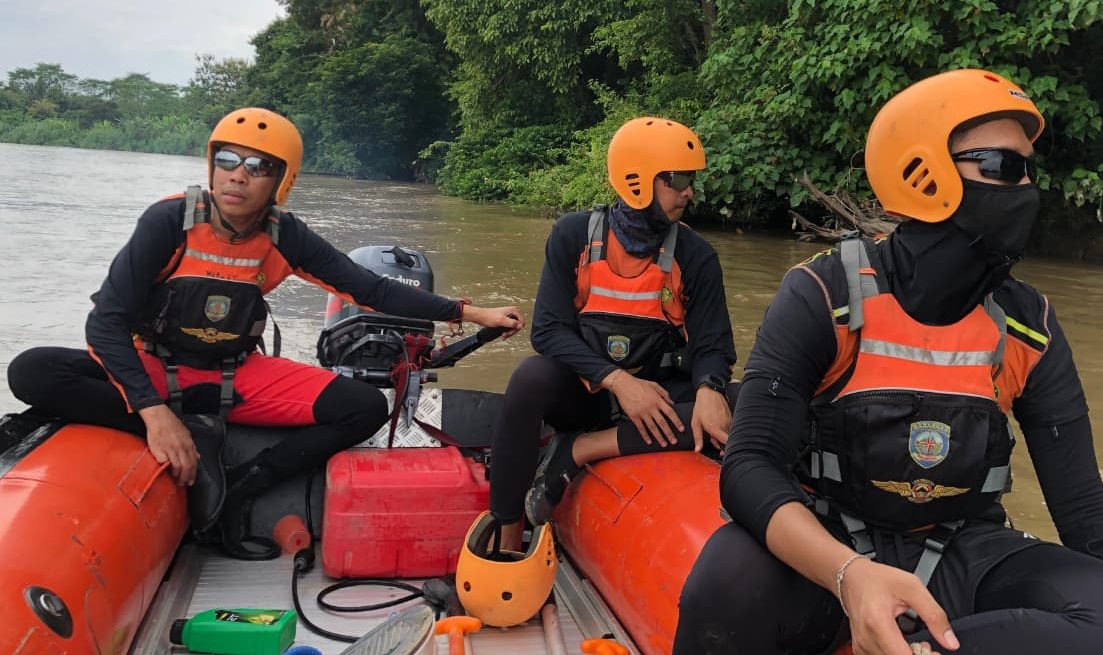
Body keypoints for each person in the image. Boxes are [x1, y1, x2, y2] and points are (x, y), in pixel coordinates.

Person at [673, 69, 1103, 655]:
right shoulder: (823, 295)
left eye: (1030, 168)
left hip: (964, 551)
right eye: (1005, 167)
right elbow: (749, 466)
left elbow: (1083, 512)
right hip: (830, 542)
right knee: (724, 585)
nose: (1027, 187)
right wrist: (850, 576)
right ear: (923, 174)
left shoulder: (1031, 325)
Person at [6, 107, 524, 558]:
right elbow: (106, 323)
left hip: (235, 374)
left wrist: (469, 312)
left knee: (363, 407)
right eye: (227, 160)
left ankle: (244, 481)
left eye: (258, 167)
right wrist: (155, 415)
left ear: (282, 180)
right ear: (212, 164)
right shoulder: (169, 221)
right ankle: (187, 431)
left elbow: (372, 290)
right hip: (154, 367)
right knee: (33, 370)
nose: (238, 176)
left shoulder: (285, 234)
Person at [488, 116, 738, 548]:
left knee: (746, 398)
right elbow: (547, 331)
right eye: (677, 179)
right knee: (529, 378)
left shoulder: (697, 256)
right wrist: (619, 382)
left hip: (659, 398)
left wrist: (711, 387)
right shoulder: (573, 236)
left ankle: (582, 451)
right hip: (590, 394)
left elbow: (713, 346)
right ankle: (508, 540)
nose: (689, 191)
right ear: (638, 180)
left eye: (690, 179)